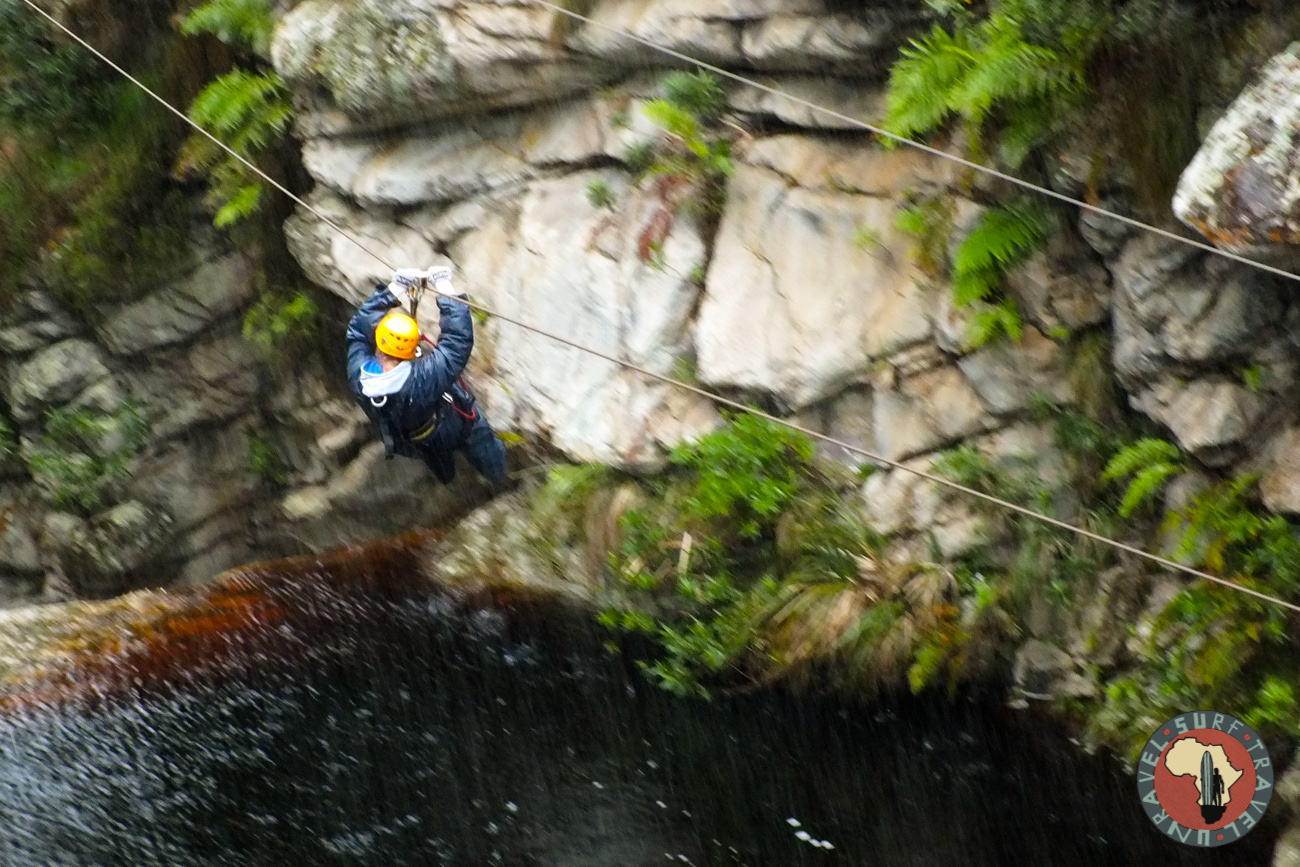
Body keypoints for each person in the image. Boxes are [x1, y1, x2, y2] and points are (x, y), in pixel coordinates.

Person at [346, 265, 507, 486]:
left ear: (379, 342)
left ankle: (448, 475)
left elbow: (357, 332)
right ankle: (498, 475)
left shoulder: (359, 375)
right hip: (449, 427)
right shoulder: (423, 379)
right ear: (413, 349)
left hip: (407, 440)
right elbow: (457, 342)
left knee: (435, 454)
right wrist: (443, 285)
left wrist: (395, 289)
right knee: (474, 426)